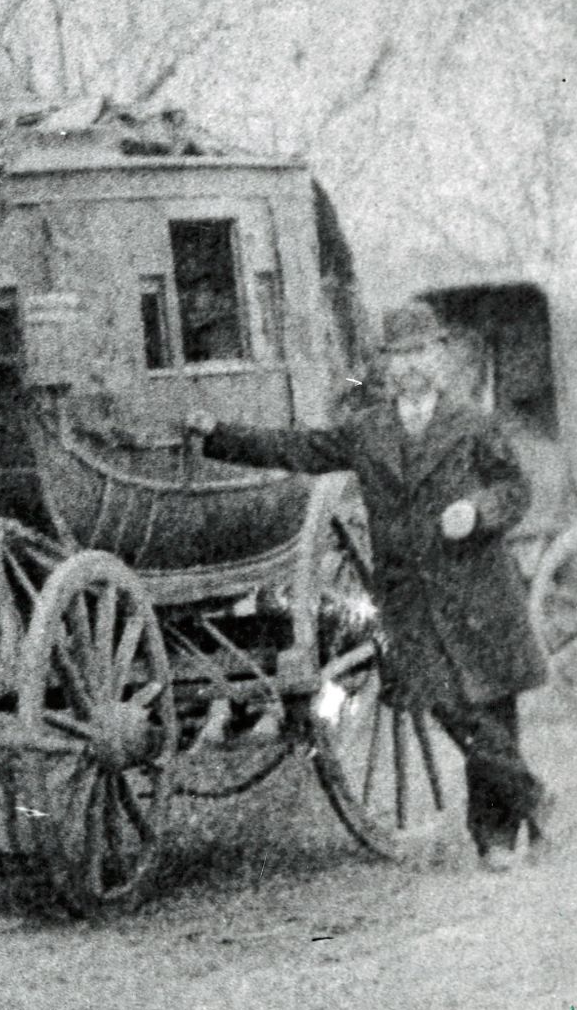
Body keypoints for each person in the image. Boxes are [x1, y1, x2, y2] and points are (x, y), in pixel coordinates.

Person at [182, 303, 554, 869]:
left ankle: (497, 840)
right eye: (399, 356)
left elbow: (515, 491)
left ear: (441, 354)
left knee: (492, 711)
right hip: (409, 599)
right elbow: (297, 450)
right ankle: (536, 799)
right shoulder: (367, 430)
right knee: (451, 706)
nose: (410, 366)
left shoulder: (475, 425)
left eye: (420, 352)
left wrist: (477, 511)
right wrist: (219, 435)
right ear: (384, 366)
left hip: (477, 590)